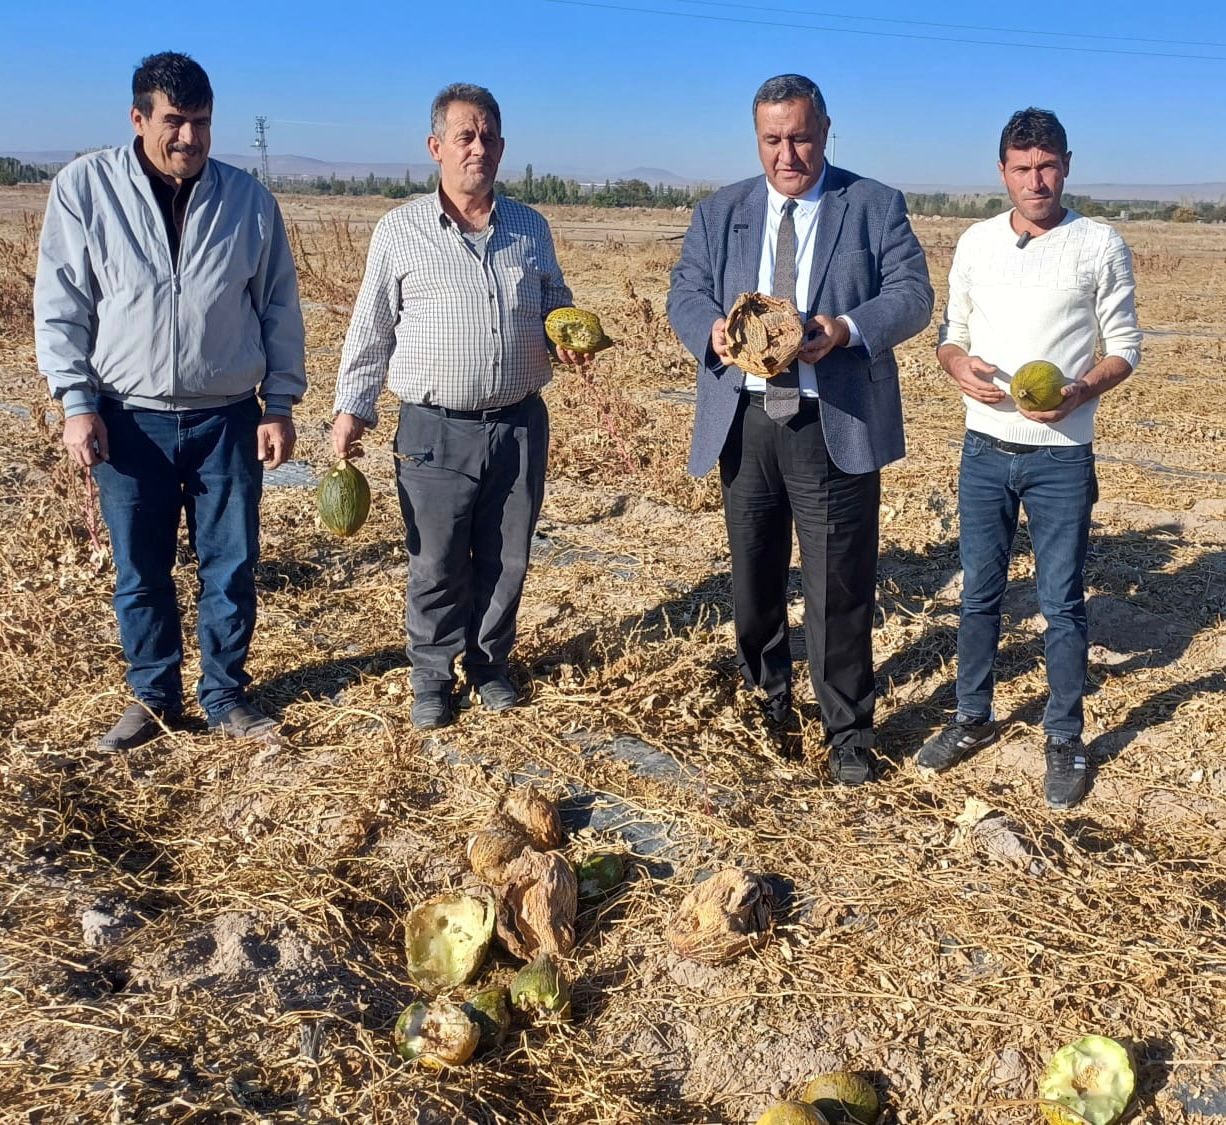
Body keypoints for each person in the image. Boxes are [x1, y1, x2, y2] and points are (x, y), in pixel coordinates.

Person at [34, 52, 306, 750]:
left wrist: (278, 402)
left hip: (226, 417)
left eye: (203, 124)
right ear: (138, 118)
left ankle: (225, 696)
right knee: (141, 569)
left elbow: (277, 306)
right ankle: (153, 698)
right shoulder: (85, 190)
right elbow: (61, 303)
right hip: (127, 416)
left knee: (231, 564)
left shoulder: (249, 201)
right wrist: (75, 400)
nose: (189, 139)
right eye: (175, 123)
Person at [667, 74, 933, 784]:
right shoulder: (720, 211)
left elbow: (913, 296)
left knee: (839, 585)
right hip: (746, 421)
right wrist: (713, 331)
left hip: (830, 423)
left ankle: (847, 728)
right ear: (757, 137)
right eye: (773, 140)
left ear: (826, 130)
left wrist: (844, 330)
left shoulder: (873, 205)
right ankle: (766, 697)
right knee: (754, 577)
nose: (788, 154)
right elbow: (685, 291)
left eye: (802, 137)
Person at [331, 83, 588, 731]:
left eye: (489, 137)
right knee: (437, 558)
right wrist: (350, 410)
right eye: (465, 136)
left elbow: (556, 297)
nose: (478, 148)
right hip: (434, 429)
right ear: (436, 146)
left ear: (502, 147)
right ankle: (431, 674)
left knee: (507, 555)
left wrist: (568, 329)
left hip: (519, 423)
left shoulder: (530, 227)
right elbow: (370, 330)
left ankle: (489, 663)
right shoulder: (401, 231)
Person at [919, 108, 1141, 809]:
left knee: (1061, 602)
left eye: (1047, 166)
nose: (1036, 180)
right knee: (980, 592)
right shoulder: (977, 243)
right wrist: (955, 364)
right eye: (1022, 168)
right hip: (983, 447)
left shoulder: (1099, 243)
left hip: (1060, 457)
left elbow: (1124, 347)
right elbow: (950, 334)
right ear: (1002, 171)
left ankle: (1065, 738)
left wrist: (1078, 390)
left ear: (1067, 165)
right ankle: (971, 719)